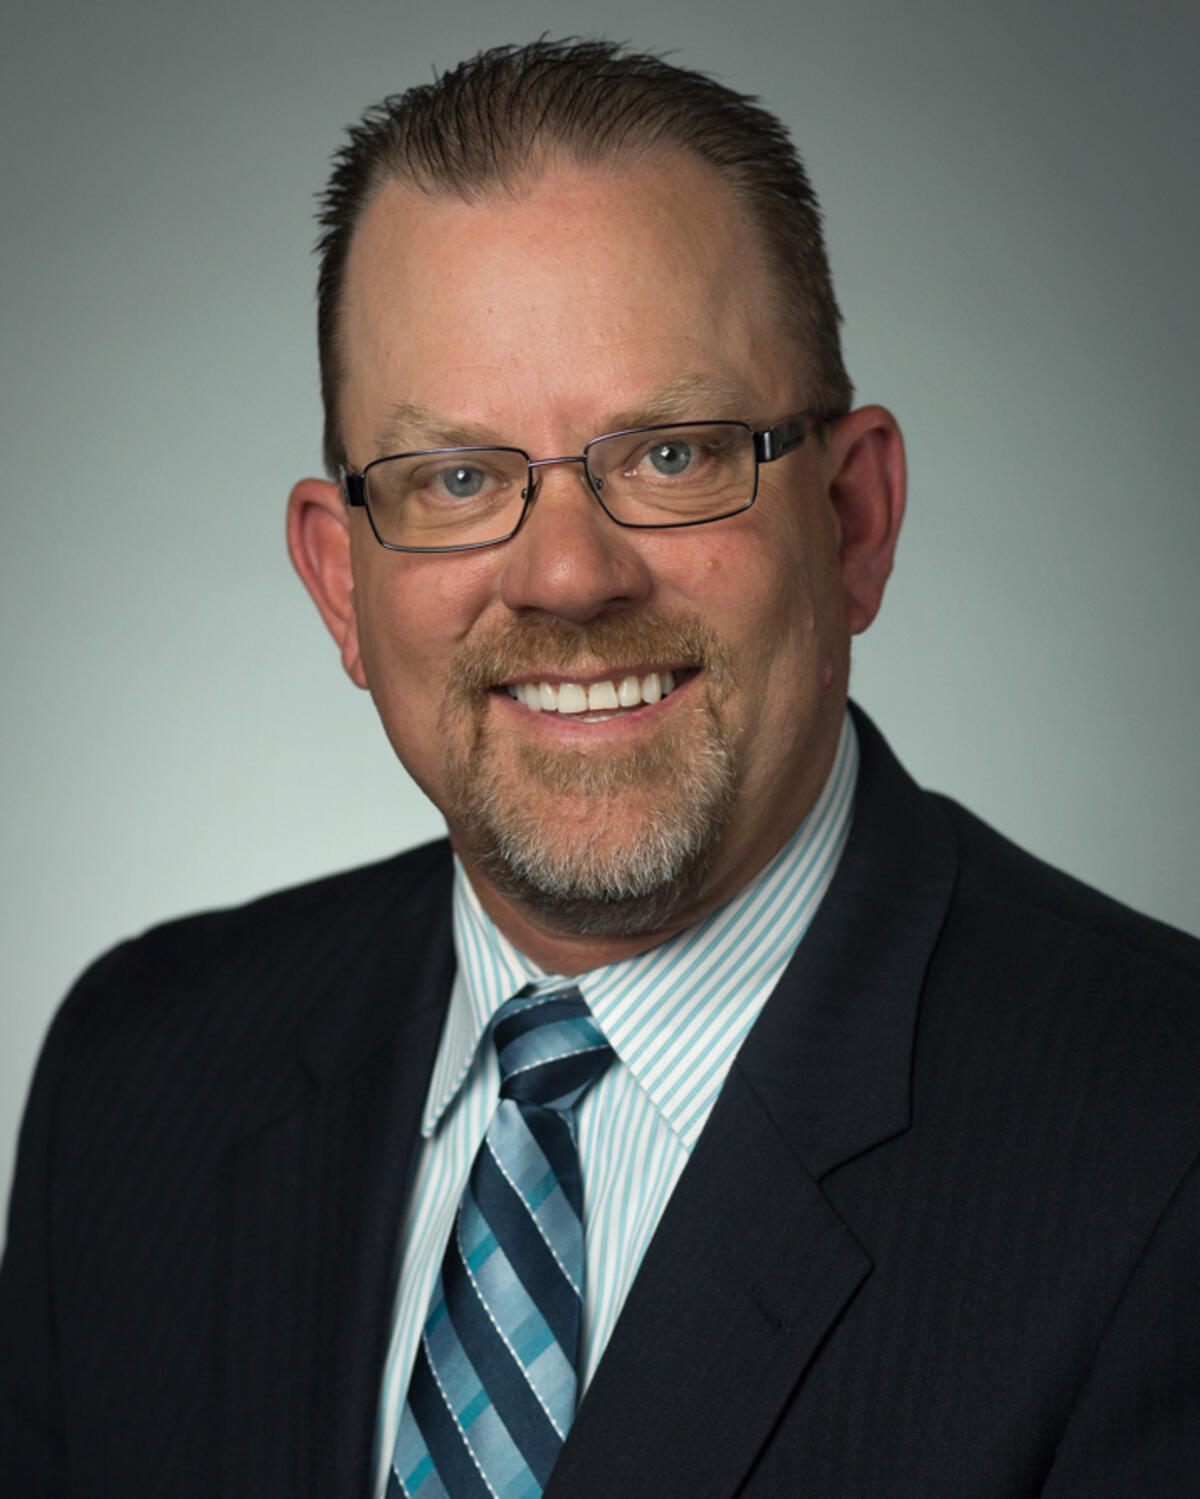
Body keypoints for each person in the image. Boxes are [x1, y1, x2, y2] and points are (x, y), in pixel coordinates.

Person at [2, 37, 1198, 1499]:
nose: (568, 577)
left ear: (855, 519)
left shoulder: (1162, 1147)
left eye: (674, 455)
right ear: (339, 585)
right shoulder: (135, 1083)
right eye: (455, 479)